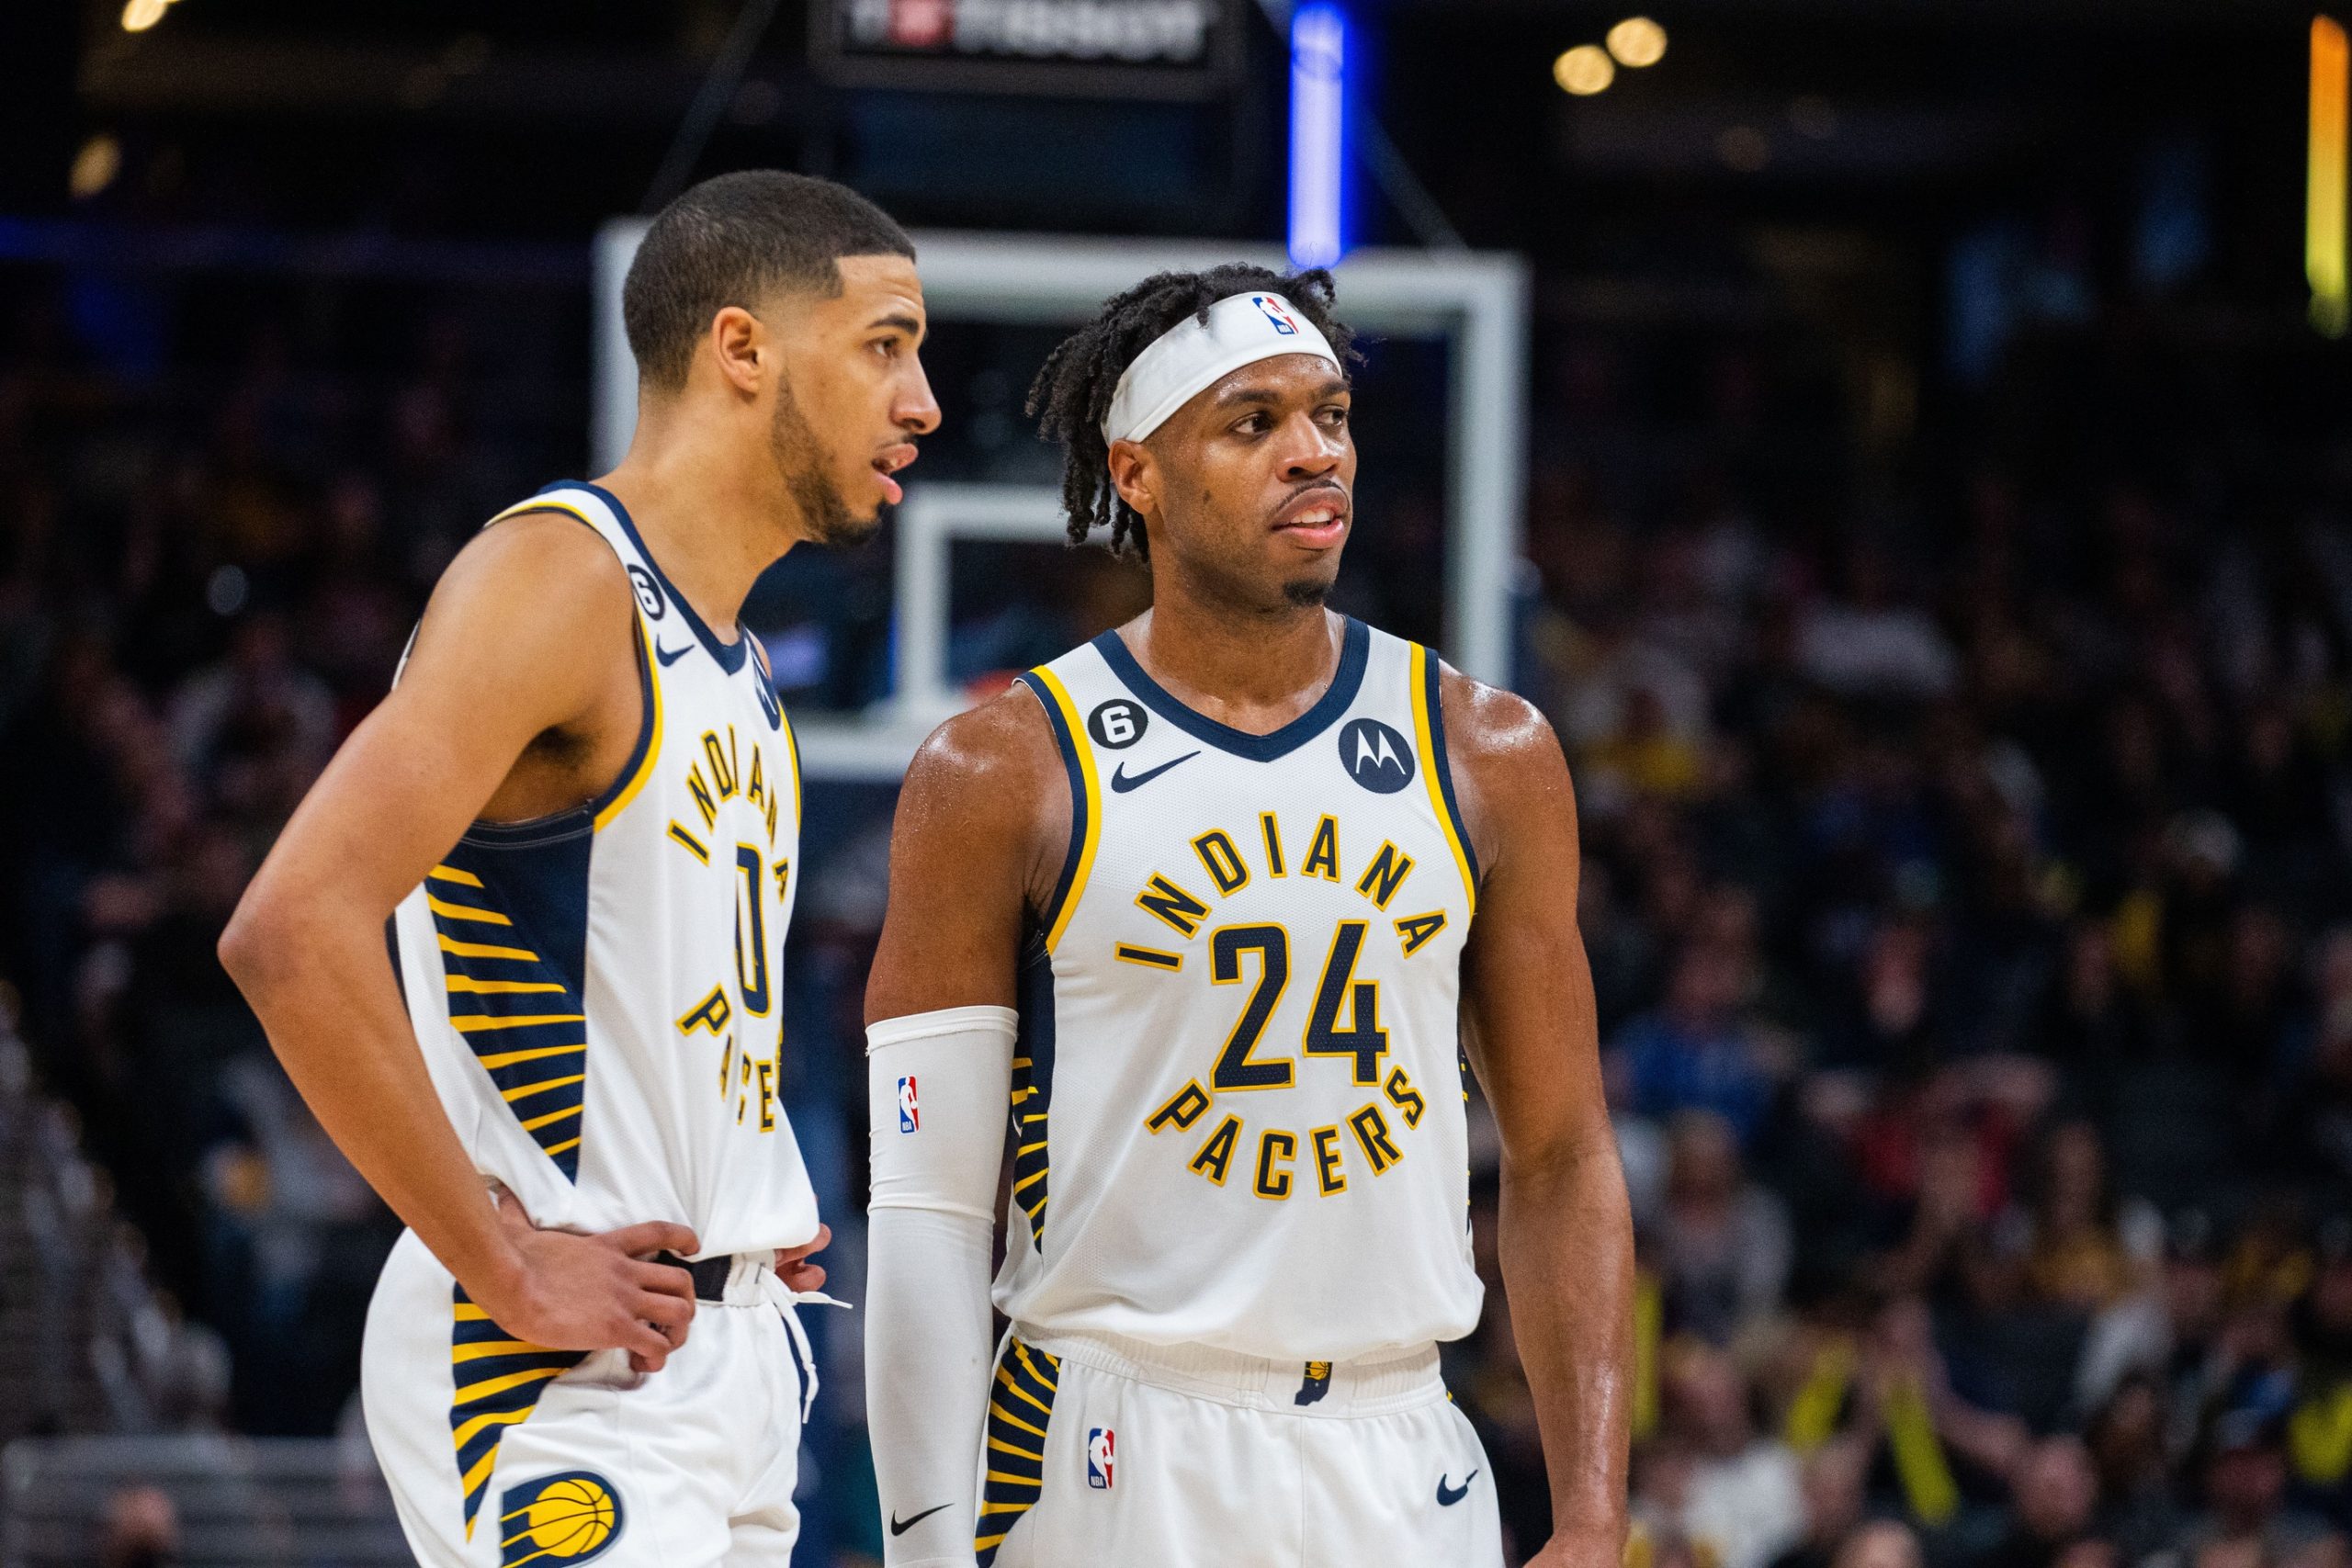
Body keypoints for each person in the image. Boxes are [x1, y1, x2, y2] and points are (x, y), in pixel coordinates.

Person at [859, 265, 1634, 1567]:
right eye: (1253, 422)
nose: (1313, 453)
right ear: (1138, 473)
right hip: (1110, 1436)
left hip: (1404, 1448)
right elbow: (932, 1210)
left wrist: (1595, 1513)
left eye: (1329, 414)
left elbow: (1562, 1159)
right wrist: (925, 1543)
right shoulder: (1002, 770)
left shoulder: (1488, 749)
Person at [218, 169, 940, 1565]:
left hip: (719, 1357)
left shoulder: (739, 670)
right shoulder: (559, 581)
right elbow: (289, 928)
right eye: (886, 345)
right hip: (551, 1371)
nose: (921, 401)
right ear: (742, 349)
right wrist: (500, 1257)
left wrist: (743, 1211)